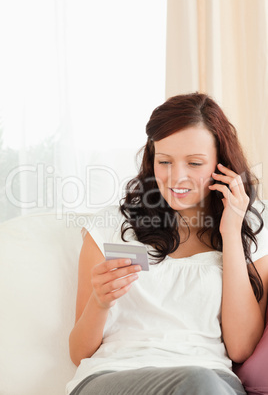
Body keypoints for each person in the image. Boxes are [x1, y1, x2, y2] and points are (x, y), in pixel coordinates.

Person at [66, 93, 268, 395]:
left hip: (210, 381)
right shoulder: (111, 226)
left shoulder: (250, 227)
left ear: (221, 164)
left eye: (195, 163)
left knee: (200, 383)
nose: (177, 177)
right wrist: (100, 301)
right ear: (152, 158)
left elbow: (240, 348)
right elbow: (79, 352)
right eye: (165, 161)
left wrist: (230, 233)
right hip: (114, 376)